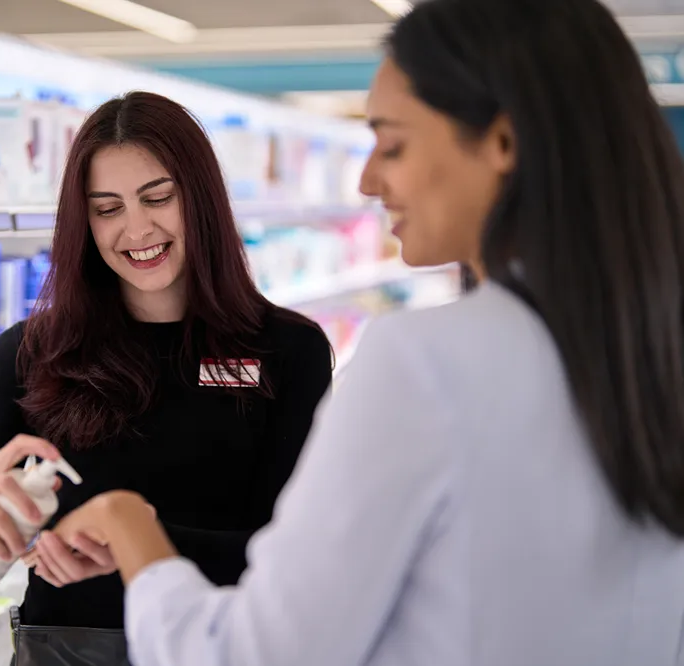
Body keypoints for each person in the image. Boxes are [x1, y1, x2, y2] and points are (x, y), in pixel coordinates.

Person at [45, 0, 684, 664]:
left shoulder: (421, 362)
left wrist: (133, 530)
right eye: (107, 208)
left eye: (394, 142)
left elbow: (255, 654)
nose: (368, 178)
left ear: (502, 143)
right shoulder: (652, 349)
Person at [0, 92, 332, 637]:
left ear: (201, 198)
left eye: (158, 198)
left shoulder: (288, 349)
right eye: (107, 209)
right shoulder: (31, 352)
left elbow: (298, 556)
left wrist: (131, 541)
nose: (137, 229)